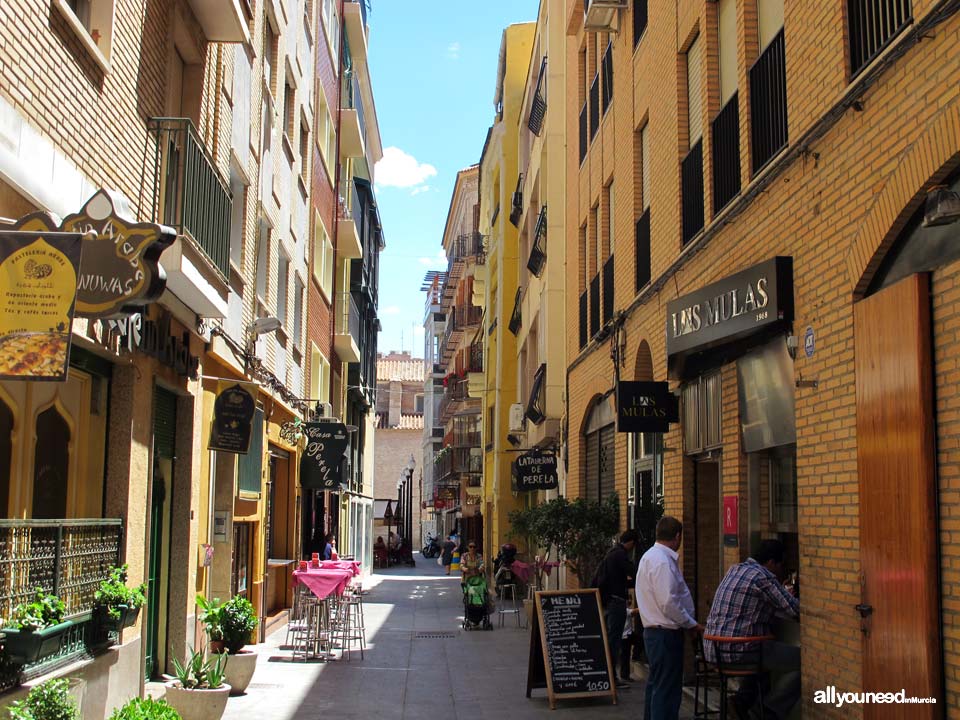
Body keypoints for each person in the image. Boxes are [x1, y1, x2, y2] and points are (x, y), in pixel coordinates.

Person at [704, 539, 800, 720]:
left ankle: (741, 702)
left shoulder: (734, 570)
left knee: (763, 662)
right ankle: (767, 711)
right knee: (804, 663)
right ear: (771, 562)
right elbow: (794, 610)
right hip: (738, 650)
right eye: (781, 565)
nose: (781, 570)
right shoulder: (762, 576)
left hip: (714, 649)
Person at [635, 516, 700, 720]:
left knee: (657, 685)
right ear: (677, 536)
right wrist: (690, 623)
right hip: (665, 634)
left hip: (655, 633)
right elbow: (668, 602)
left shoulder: (649, 557)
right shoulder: (663, 562)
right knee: (667, 690)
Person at [593, 529, 638, 688]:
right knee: (615, 641)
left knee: (611, 639)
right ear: (631, 543)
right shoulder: (620, 555)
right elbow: (634, 572)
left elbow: (617, 580)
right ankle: (612, 677)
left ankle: (609, 675)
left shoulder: (611, 553)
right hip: (616, 602)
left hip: (608, 601)